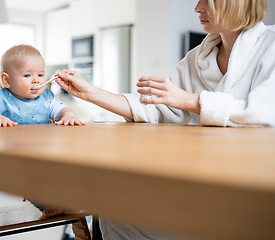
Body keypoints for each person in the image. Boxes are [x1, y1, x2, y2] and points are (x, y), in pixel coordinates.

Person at [55, 0, 274, 239]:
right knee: (117, 214)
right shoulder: (198, 58)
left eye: (207, 1)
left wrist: (190, 100)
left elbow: (262, 116)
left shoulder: (270, 45)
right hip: (202, 184)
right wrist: (90, 92)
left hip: (254, 193)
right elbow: (157, 110)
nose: (198, 8)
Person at [0, 44, 85, 217]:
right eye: (27, 75)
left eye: (40, 75)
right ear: (7, 80)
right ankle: (43, 202)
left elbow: (62, 109)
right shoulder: (1, 99)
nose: (37, 80)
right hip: (12, 155)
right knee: (29, 173)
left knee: (69, 164)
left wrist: (68, 116)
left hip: (44, 150)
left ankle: (66, 196)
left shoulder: (46, 98)